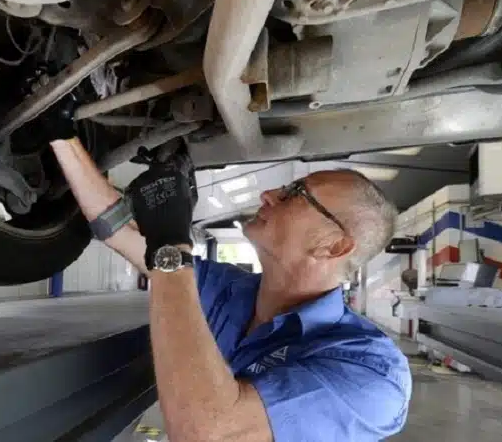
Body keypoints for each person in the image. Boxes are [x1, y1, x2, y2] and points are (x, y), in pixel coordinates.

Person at [46, 112, 411, 441]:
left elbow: (210, 433)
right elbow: (120, 229)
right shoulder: (229, 289)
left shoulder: (371, 374)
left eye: (297, 194)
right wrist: (61, 134)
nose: (269, 194)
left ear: (334, 246)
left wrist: (171, 245)